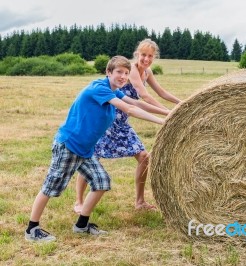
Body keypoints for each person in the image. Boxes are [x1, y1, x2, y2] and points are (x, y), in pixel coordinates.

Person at [25, 56, 169, 242]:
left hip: (85, 150)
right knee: (51, 186)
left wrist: (169, 112)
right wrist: (163, 122)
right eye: (118, 72)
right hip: (69, 145)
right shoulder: (99, 88)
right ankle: (32, 229)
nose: (123, 76)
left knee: (101, 182)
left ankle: (81, 225)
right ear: (108, 72)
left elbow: (136, 103)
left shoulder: (114, 91)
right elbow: (129, 110)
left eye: (126, 73)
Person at [74, 39, 181, 213]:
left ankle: (140, 201)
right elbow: (145, 96)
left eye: (150, 56)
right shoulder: (130, 71)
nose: (146, 59)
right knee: (92, 157)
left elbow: (161, 92)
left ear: (154, 57)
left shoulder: (147, 72)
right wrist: (169, 113)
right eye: (143, 55)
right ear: (137, 54)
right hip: (109, 119)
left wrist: (183, 104)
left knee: (144, 157)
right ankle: (78, 201)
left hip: (123, 122)